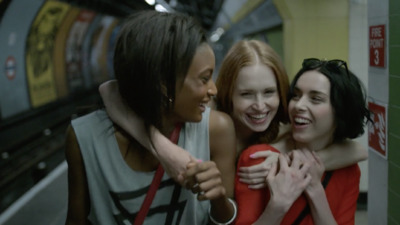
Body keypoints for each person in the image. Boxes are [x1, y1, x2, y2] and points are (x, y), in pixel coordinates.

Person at [99, 42, 368, 222]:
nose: (261, 106)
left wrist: (287, 162)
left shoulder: (283, 124)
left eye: (270, 92)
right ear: (228, 92)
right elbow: (109, 90)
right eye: (247, 94)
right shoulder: (206, 121)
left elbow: (358, 149)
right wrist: (165, 149)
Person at [65, 10, 237, 225]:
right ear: (162, 85)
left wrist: (219, 198)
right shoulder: (84, 137)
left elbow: (226, 219)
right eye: (204, 79)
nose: (214, 90)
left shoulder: (217, 130)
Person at [243, 58, 372, 224]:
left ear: (340, 111)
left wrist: (315, 190)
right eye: (296, 96)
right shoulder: (260, 159)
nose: (298, 105)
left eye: (315, 99)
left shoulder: (348, 169)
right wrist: (278, 205)